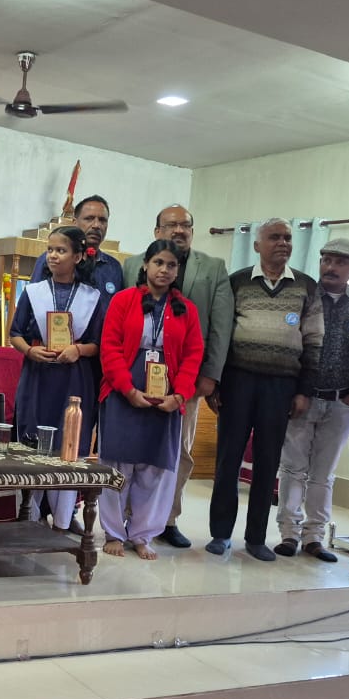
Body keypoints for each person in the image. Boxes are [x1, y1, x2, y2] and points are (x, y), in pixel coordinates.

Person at [206, 218, 323, 561]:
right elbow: (220, 333)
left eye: (287, 237)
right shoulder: (237, 281)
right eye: (274, 237)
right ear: (257, 245)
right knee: (228, 460)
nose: (283, 243)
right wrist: (215, 382)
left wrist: (303, 390)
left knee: (268, 462)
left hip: (281, 385)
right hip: (237, 382)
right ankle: (220, 534)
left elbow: (314, 341)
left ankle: (256, 538)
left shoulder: (306, 286)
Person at [122, 204, 233, 549]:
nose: (179, 230)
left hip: (186, 380)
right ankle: (130, 517)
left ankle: (168, 519)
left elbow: (220, 326)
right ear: (157, 232)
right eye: (171, 225)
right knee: (133, 449)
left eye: (186, 225)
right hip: (135, 378)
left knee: (178, 451)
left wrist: (210, 375)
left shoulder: (212, 268)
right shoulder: (132, 264)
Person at [97, 240, 203, 559]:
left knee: (155, 468)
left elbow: (193, 355)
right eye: (158, 262)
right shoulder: (123, 300)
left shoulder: (187, 309)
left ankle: (143, 534)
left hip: (167, 396)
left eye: (171, 265)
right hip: (124, 392)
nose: (164, 270)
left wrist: (179, 395)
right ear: (145, 264)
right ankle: (114, 533)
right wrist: (128, 390)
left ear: (178, 271)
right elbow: (110, 347)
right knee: (117, 464)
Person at [275, 238, 349, 562]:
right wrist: (293, 391)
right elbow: (287, 345)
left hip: (341, 402)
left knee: (323, 473)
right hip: (301, 400)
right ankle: (289, 534)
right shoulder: (303, 296)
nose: (331, 267)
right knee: (293, 469)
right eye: (326, 260)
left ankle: (314, 537)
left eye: (340, 262)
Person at [9, 226, 104, 531]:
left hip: (74, 379)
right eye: (50, 250)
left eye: (61, 250)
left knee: (68, 443)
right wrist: (29, 351)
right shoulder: (34, 292)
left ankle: (63, 521)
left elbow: (98, 343)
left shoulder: (92, 297)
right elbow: (15, 333)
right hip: (38, 375)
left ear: (78, 256)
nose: (52, 256)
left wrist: (78, 349)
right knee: (33, 443)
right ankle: (30, 520)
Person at [30, 195, 125, 301]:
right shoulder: (52, 260)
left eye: (102, 220)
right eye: (89, 219)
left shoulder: (113, 267)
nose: (96, 225)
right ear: (75, 223)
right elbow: (33, 300)